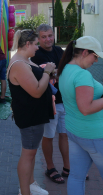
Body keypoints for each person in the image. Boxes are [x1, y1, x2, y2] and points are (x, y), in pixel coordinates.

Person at [7, 29, 55, 195]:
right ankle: (25, 191)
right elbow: (36, 91)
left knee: (31, 152)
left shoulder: (24, 60)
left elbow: (34, 77)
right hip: (30, 116)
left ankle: (31, 184)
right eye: (35, 44)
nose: (37, 48)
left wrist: (43, 70)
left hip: (33, 115)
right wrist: (47, 72)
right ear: (27, 44)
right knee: (28, 154)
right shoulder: (19, 64)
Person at [58, 36, 103, 195]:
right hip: (94, 135)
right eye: (95, 56)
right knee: (77, 176)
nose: (96, 61)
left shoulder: (65, 69)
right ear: (84, 52)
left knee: (76, 177)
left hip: (75, 132)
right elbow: (85, 108)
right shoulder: (82, 75)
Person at [30, 24, 66, 183]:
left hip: (65, 101)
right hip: (49, 103)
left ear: (54, 35)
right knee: (49, 136)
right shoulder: (36, 54)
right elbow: (50, 74)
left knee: (65, 135)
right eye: (44, 37)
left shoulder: (59, 50)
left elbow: (66, 70)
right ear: (38, 38)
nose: (48, 39)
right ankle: (50, 167)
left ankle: (68, 167)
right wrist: (59, 72)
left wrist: (58, 73)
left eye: (50, 35)